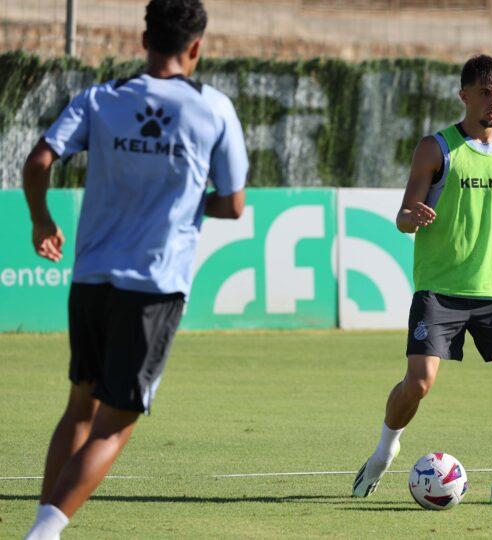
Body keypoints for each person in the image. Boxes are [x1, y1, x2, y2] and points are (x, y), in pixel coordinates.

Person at [22, 1, 248, 537]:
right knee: (115, 423)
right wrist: (190, 200)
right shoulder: (213, 108)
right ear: (196, 47)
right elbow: (234, 204)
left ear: (144, 39)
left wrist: (40, 222)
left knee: (80, 405)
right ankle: (43, 532)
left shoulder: (101, 98)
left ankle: (40, 527)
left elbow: (37, 162)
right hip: (153, 285)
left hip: (91, 278)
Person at [352, 55, 492, 505]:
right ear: (464, 96)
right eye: (484, 93)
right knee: (418, 383)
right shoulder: (436, 149)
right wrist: (410, 217)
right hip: (440, 291)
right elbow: (403, 217)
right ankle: (383, 450)